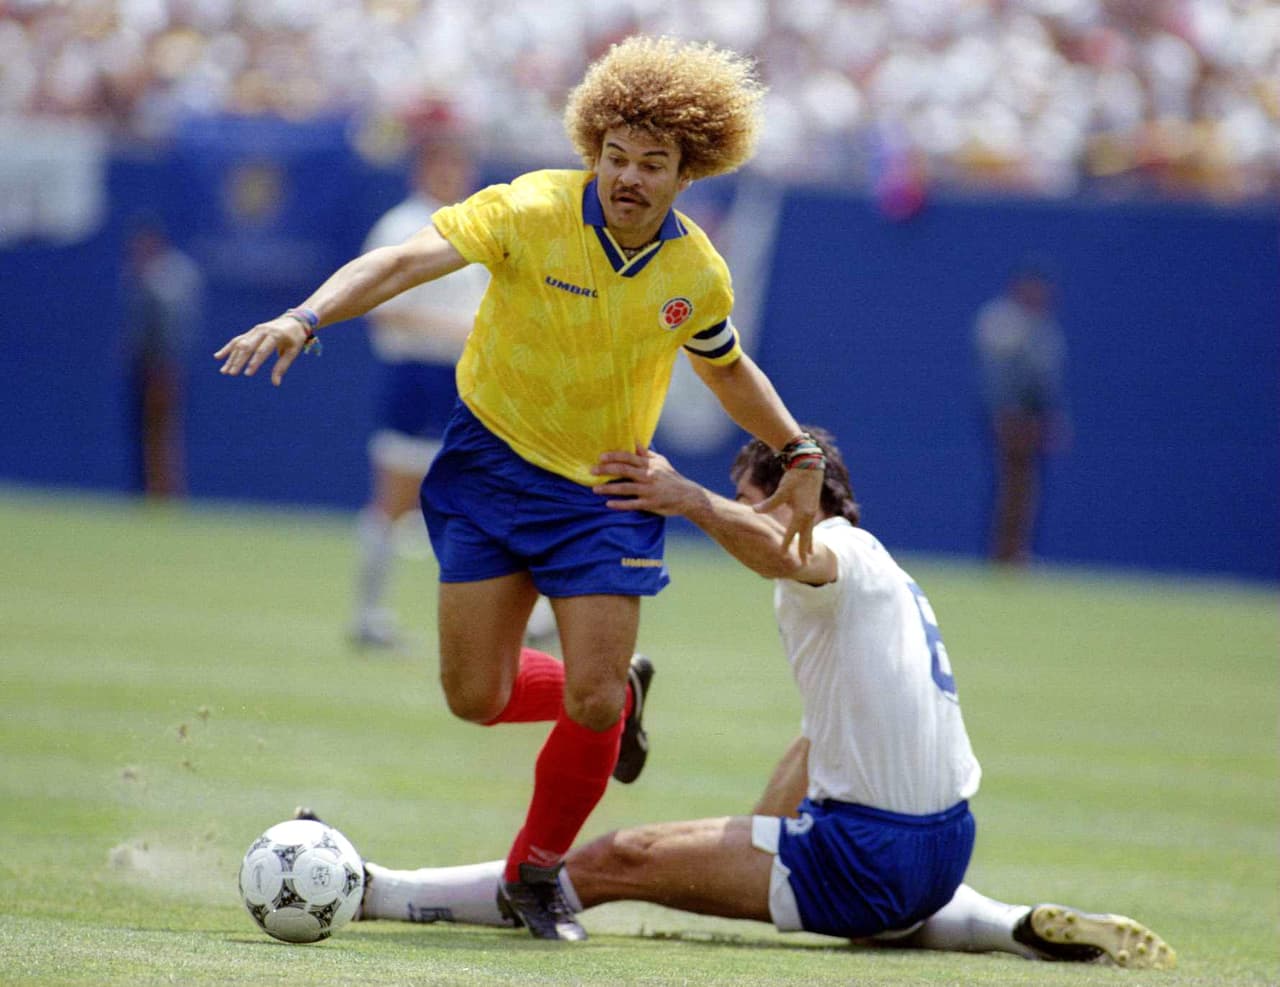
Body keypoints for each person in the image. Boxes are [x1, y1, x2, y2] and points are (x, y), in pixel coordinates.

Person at [214, 35, 825, 940]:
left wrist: (797, 449)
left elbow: (728, 369)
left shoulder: (694, 271)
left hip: (604, 494)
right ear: (594, 151)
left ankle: (536, 873)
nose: (628, 176)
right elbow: (404, 261)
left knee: (588, 698)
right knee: (476, 695)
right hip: (488, 471)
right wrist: (309, 315)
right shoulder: (529, 207)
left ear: (684, 174)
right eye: (615, 156)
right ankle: (621, 694)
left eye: (652, 163)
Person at [334, 428, 1175, 969]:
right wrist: (750, 843)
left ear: (793, 498)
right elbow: (817, 741)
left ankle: (378, 888)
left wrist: (687, 498)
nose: (739, 515)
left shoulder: (829, 551)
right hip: (944, 847)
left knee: (610, 861)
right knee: (851, 901)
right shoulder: (886, 574)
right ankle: (1010, 923)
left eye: (747, 496)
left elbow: (782, 551)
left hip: (869, 853)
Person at [348, 135, 555, 650]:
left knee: (500, 493)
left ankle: (520, 616)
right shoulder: (402, 226)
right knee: (396, 498)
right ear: (424, 167)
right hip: (420, 375)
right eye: (446, 163)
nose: (456, 174)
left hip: (474, 378)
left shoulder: (479, 224)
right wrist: (456, 331)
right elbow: (381, 305)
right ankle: (369, 614)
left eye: (462, 164)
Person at [973, 259, 1070, 565]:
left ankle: (1014, 551)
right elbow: (1005, 379)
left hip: (1031, 417)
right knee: (1013, 487)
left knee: (1025, 489)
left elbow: (1045, 381)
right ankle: (1005, 552)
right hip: (1013, 417)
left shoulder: (1041, 325)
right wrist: (1006, 415)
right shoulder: (1005, 322)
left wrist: (1049, 418)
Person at [122, 215, 203, 498]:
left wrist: (164, 362)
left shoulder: (165, 277)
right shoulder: (154, 273)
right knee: (150, 432)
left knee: (162, 431)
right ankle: (154, 490)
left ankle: (163, 492)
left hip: (161, 366)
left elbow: (169, 328)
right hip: (150, 366)